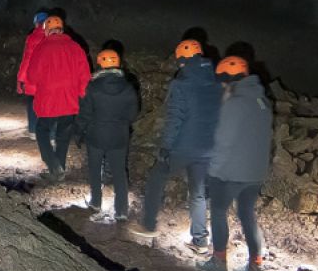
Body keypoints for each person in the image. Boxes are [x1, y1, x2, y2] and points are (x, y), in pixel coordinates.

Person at [128, 39, 221, 251]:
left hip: (185, 145)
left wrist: (166, 147)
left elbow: (175, 118)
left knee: (156, 177)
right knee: (197, 192)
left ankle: (149, 224)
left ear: (181, 60)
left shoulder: (182, 83)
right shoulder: (217, 79)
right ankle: (200, 240)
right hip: (210, 147)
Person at [201, 55, 274, 271]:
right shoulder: (262, 101)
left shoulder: (234, 103)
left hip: (230, 172)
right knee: (247, 215)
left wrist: (212, 170)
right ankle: (255, 266)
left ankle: (219, 260)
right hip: (255, 172)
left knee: (219, 211)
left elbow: (223, 141)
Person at [17, 16, 89, 183]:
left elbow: (32, 76)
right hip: (70, 101)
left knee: (42, 131)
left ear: (47, 31)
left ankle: (53, 165)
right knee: (63, 137)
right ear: (62, 29)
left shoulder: (42, 48)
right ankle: (59, 168)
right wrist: (82, 96)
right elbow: (85, 76)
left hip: (48, 101)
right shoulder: (75, 47)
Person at [78, 48, 139, 223]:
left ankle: (96, 202)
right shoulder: (128, 87)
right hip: (119, 136)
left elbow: (85, 114)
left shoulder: (92, 87)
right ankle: (121, 210)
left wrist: (79, 132)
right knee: (120, 172)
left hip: (95, 135)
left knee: (95, 170)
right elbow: (133, 114)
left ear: (100, 64)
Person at [15, 10, 51, 137]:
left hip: (33, 77)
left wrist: (20, 79)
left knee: (32, 103)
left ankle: (33, 130)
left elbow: (27, 59)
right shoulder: (54, 37)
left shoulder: (32, 37)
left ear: (36, 23)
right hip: (49, 78)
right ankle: (50, 134)